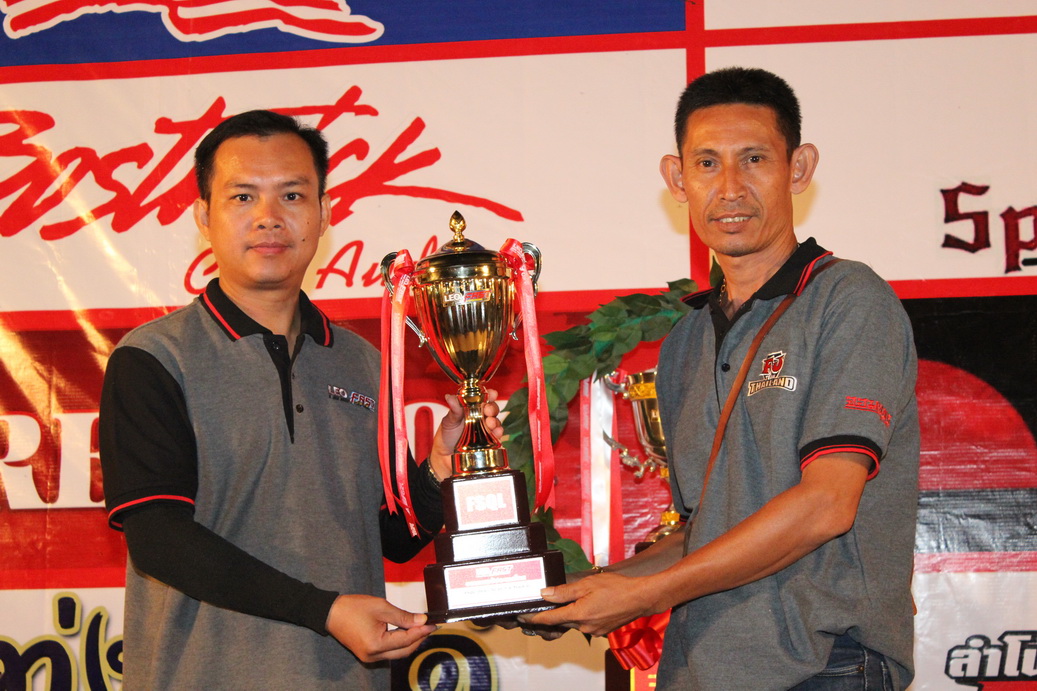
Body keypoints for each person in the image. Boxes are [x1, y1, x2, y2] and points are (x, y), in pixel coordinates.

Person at [528, 67, 919, 689]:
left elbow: (827, 504)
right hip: (704, 669)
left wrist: (647, 595)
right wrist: (586, 590)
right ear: (677, 178)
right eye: (707, 164)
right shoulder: (686, 341)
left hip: (826, 665)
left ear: (798, 168)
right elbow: (703, 532)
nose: (730, 188)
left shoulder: (848, 299)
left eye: (754, 159)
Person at [99, 110, 498, 689]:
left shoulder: (365, 363)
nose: (269, 216)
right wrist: (325, 611)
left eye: (292, 195)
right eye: (242, 196)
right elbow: (159, 540)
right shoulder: (155, 358)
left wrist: (437, 468)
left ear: (324, 213)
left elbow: (392, 538)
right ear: (203, 217)